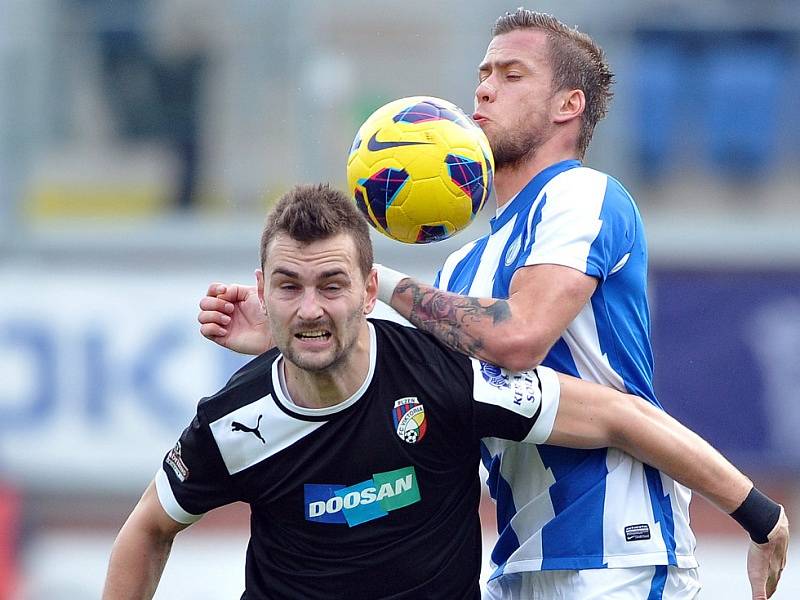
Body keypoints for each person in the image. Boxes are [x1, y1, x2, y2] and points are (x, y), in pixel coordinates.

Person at [196, 11, 789, 599]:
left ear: (568, 106)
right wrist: (294, 330)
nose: (483, 88)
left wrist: (379, 277)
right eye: (483, 73)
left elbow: (518, 338)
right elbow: (413, 378)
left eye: (512, 74)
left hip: (615, 551)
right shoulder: (462, 266)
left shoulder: (581, 194)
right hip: (516, 558)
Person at [107, 185, 787, 600]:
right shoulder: (237, 421)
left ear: (371, 291)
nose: (310, 308)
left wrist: (758, 513)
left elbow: (617, 417)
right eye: (289, 286)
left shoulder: (442, 373)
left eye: (331, 285)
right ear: (262, 291)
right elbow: (148, 529)